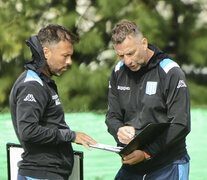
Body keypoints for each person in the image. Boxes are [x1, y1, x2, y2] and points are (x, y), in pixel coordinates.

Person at [9, 24, 97, 180]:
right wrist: (70, 135)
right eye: (65, 55)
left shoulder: (42, 82)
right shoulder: (31, 85)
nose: (69, 61)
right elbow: (28, 131)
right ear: (46, 52)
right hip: (40, 174)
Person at [105, 20, 191, 180]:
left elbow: (181, 124)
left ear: (144, 43)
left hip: (168, 165)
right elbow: (112, 117)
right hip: (132, 166)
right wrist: (118, 130)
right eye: (121, 55)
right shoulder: (118, 71)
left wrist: (146, 153)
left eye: (131, 53)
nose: (127, 61)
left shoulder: (170, 71)